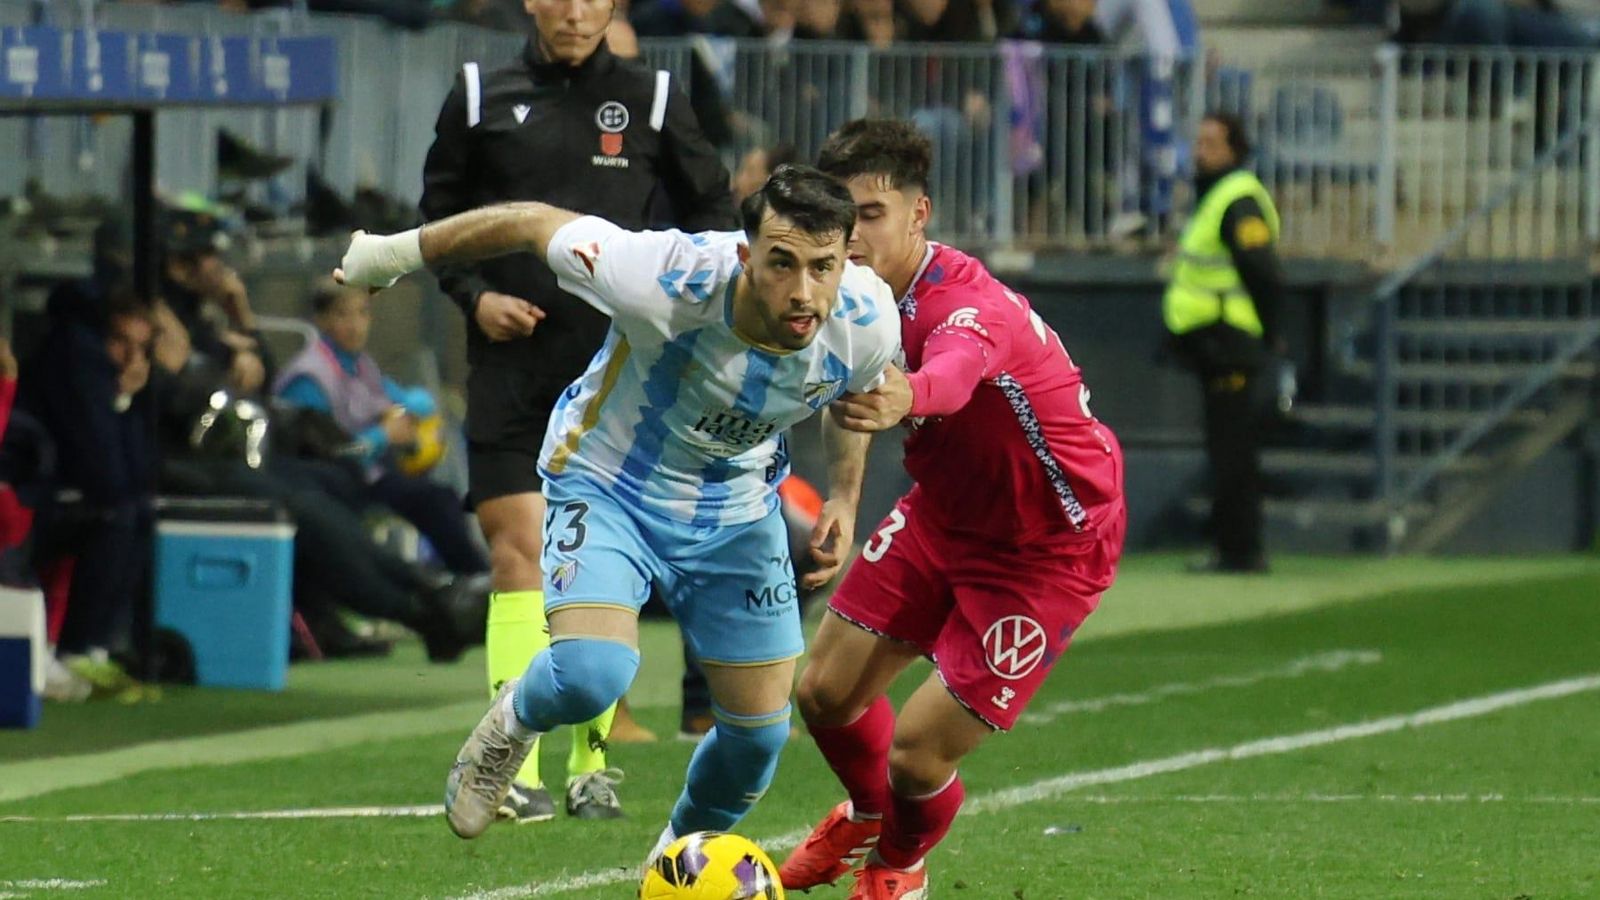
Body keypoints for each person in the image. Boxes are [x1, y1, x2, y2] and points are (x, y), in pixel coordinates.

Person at [333, 164, 901, 852]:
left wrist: (844, 493)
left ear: (847, 261)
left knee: (758, 739)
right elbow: (528, 219)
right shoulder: (661, 276)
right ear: (747, 255)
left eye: (823, 266)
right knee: (592, 675)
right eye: (782, 263)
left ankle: (674, 866)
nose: (804, 291)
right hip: (610, 486)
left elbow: (854, 399)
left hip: (738, 512)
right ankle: (512, 725)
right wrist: (390, 255)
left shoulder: (867, 321)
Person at [778, 119, 1126, 900]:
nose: (854, 235)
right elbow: (854, 393)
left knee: (918, 752)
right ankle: (870, 813)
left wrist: (908, 392)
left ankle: (899, 866)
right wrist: (841, 495)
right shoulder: (851, 300)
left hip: (1050, 544)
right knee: (824, 694)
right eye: (842, 218)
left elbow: (954, 375)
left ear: (917, 213)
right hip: (946, 513)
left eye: (872, 214)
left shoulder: (967, 305)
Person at [419, 0, 738, 821]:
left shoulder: (658, 96)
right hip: (510, 370)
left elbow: (713, 216)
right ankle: (511, 765)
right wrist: (475, 294)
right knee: (517, 552)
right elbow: (437, 221)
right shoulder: (478, 93)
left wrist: (678, 304)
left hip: (613, 379)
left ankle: (590, 764)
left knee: (593, 567)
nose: (573, 10)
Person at [275, 280, 489, 577]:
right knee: (434, 501)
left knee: (443, 492)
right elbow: (326, 454)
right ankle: (473, 579)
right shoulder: (309, 379)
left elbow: (410, 400)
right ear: (321, 319)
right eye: (342, 315)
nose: (355, 325)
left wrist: (410, 408)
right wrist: (383, 436)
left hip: (373, 472)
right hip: (334, 484)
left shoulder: (359, 365)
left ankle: (469, 577)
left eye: (362, 313)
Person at [1163, 113, 1284, 574]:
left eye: (1211, 143)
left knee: (1232, 447)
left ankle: (1241, 548)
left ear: (1235, 149)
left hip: (1229, 338)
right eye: (1199, 141)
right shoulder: (1216, 197)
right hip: (1215, 340)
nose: (1200, 151)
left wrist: (1270, 332)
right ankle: (1232, 543)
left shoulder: (1238, 199)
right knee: (1225, 444)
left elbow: (1262, 271)